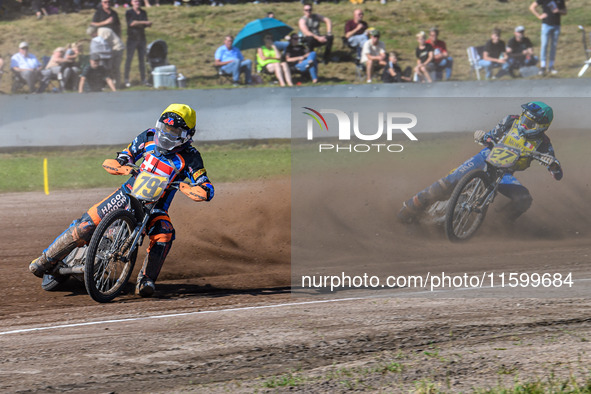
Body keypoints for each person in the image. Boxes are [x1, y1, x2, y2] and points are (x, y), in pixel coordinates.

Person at [29, 103, 214, 298]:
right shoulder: (149, 137)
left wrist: (194, 189)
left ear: (186, 133)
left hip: (156, 207)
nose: (167, 134)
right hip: (127, 192)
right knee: (86, 224)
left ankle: (146, 280)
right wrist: (121, 164)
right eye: (165, 128)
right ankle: (45, 260)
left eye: (174, 130)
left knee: (165, 233)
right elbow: (125, 155)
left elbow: (206, 186)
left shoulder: (191, 157)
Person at [397, 101, 563, 225]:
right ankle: (408, 209)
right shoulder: (511, 120)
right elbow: (491, 136)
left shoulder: (544, 144)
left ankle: (498, 226)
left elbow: (557, 175)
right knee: (447, 182)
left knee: (524, 198)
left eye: (529, 123)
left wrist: (553, 165)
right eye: (524, 118)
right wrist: (483, 136)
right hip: (484, 158)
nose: (523, 123)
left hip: (504, 174)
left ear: (541, 127)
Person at [529, 0, 566, 75]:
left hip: (556, 25)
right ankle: (543, 66)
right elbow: (532, 7)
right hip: (546, 25)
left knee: (553, 46)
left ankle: (551, 66)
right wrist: (539, 16)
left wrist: (558, 11)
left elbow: (565, 12)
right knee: (544, 45)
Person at [124, 0, 152, 88]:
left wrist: (141, 23)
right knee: (129, 59)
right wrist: (143, 23)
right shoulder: (129, 12)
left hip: (141, 38)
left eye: (139, 1)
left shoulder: (143, 12)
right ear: (132, 2)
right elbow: (132, 23)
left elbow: (145, 24)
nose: (137, 3)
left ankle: (143, 79)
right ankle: (126, 79)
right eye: (135, 1)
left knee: (142, 60)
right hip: (132, 38)